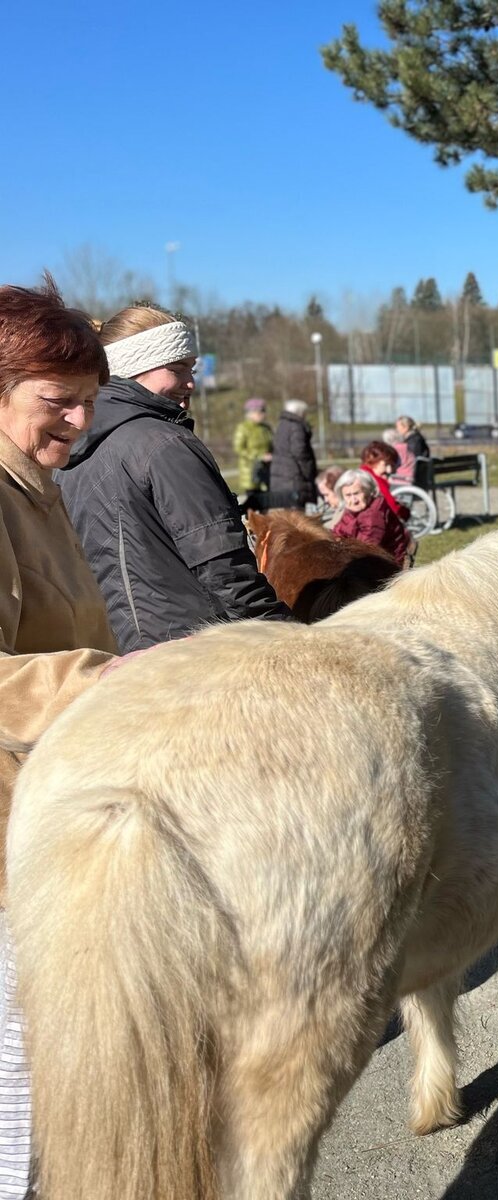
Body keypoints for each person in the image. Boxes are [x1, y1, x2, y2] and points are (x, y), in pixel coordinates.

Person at [0, 279, 122, 1198]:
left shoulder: (37, 489)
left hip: (44, 825)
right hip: (10, 854)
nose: (79, 421)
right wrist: (106, 681)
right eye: (57, 400)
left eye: (88, 400)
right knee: (19, 1096)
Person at [57, 305, 289, 652]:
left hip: (112, 651)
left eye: (191, 369)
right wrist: (284, 635)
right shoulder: (166, 445)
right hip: (191, 651)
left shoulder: (69, 450)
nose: (190, 383)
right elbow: (224, 568)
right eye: (177, 369)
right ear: (133, 366)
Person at [330, 468, 409, 564]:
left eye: (356, 493)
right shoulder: (354, 509)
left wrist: (340, 548)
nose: (354, 500)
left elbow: (366, 550)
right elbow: (337, 532)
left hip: (387, 563)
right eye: (348, 495)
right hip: (365, 558)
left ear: (368, 491)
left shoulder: (374, 514)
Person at [269, 398, 318, 509]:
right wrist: (309, 472)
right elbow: (300, 452)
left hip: (281, 476)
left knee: (287, 512)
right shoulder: (297, 426)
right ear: (299, 412)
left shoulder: (281, 424)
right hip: (295, 477)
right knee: (297, 513)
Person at [232, 397, 274, 505]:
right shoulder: (243, 428)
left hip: (266, 469)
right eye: (260, 412)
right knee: (253, 501)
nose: (263, 414)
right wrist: (259, 456)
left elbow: (272, 445)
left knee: (267, 500)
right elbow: (239, 448)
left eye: (264, 411)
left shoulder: (266, 428)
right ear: (250, 413)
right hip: (250, 471)